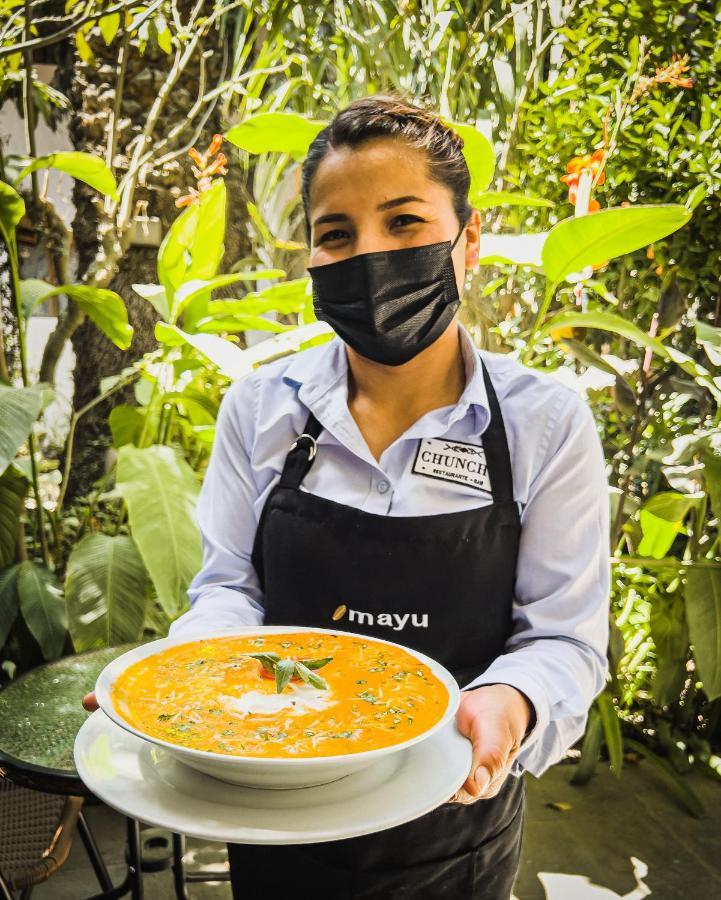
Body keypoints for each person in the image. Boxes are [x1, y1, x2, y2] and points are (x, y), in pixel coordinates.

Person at [85, 94, 610, 899]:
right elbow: (229, 588)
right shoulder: (260, 410)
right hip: (273, 812)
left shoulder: (543, 422)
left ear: (467, 242)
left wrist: (510, 701)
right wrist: (188, 677)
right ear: (313, 261)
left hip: (455, 833)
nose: (370, 254)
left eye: (403, 223)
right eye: (337, 234)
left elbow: (564, 641)